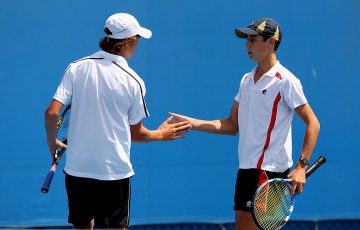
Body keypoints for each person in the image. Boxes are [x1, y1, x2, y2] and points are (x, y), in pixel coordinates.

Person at [170, 18, 320, 230]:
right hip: (246, 170)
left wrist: (301, 167)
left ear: (271, 41)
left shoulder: (286, 80)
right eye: (246, 40)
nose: (247, 45)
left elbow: (313, 123)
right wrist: (192, 123)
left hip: (269, 171)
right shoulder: (246, 80)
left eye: (253, 39)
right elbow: (232, 125)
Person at [44, 13, 191, 229]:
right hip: (113, 172)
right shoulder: (134, 82)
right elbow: (136, 134)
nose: (137, 45)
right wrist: (162, 134)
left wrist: (51, 142)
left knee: (82, 225)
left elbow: (51, 113)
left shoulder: (76, 67)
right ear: (127, 42)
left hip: (77, 169)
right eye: (137, 40)